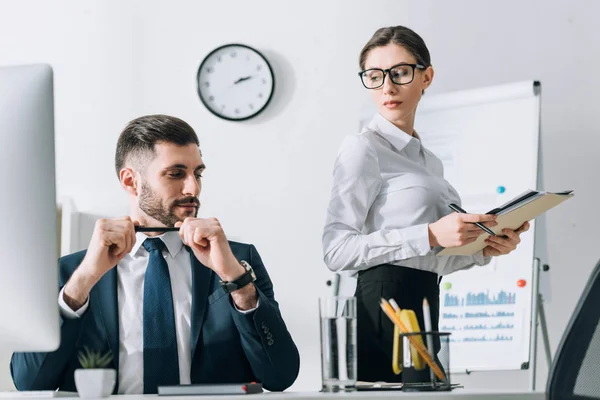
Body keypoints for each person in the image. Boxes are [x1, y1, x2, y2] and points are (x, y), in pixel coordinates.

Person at [11, 115, 300, 394]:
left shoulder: (238, 261)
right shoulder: (71, 272)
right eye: (176, 174)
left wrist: (236, 281)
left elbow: (280, 375)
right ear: (130, 181)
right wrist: (83, 281)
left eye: (197, 174)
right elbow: (29, 382)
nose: (193, 188)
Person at [322, 26, 530, 382]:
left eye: (400, 73)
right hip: (381, 309)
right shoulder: (362, 149)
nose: (387, 87)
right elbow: (336, 251)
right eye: (374, 76)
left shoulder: (429, 161)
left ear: (426, 76)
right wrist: (430, 233)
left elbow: (427, 259)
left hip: (425, 302)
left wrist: (485, 249)